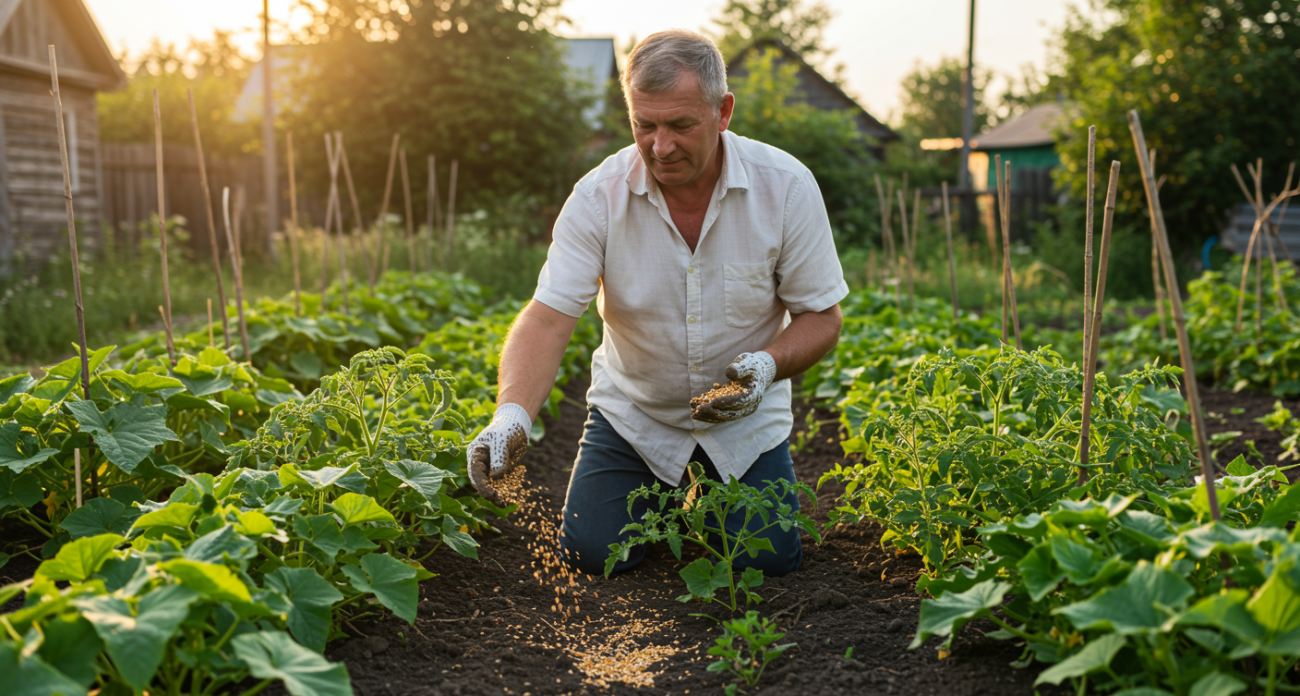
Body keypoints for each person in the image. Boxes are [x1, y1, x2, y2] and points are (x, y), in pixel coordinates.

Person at [466, 29, 846, 577]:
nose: (660, 147)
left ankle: (694, 497)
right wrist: (510, 416)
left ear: (723, 112)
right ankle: (660, 493)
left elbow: (821, 316)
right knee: (593, 555)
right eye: (645, 125)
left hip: (740, 426)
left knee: (764, 558)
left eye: (681, 126)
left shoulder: (785, 187)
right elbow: (548, 320)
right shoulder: (598, 197)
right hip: (635, 420)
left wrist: (767, 366)